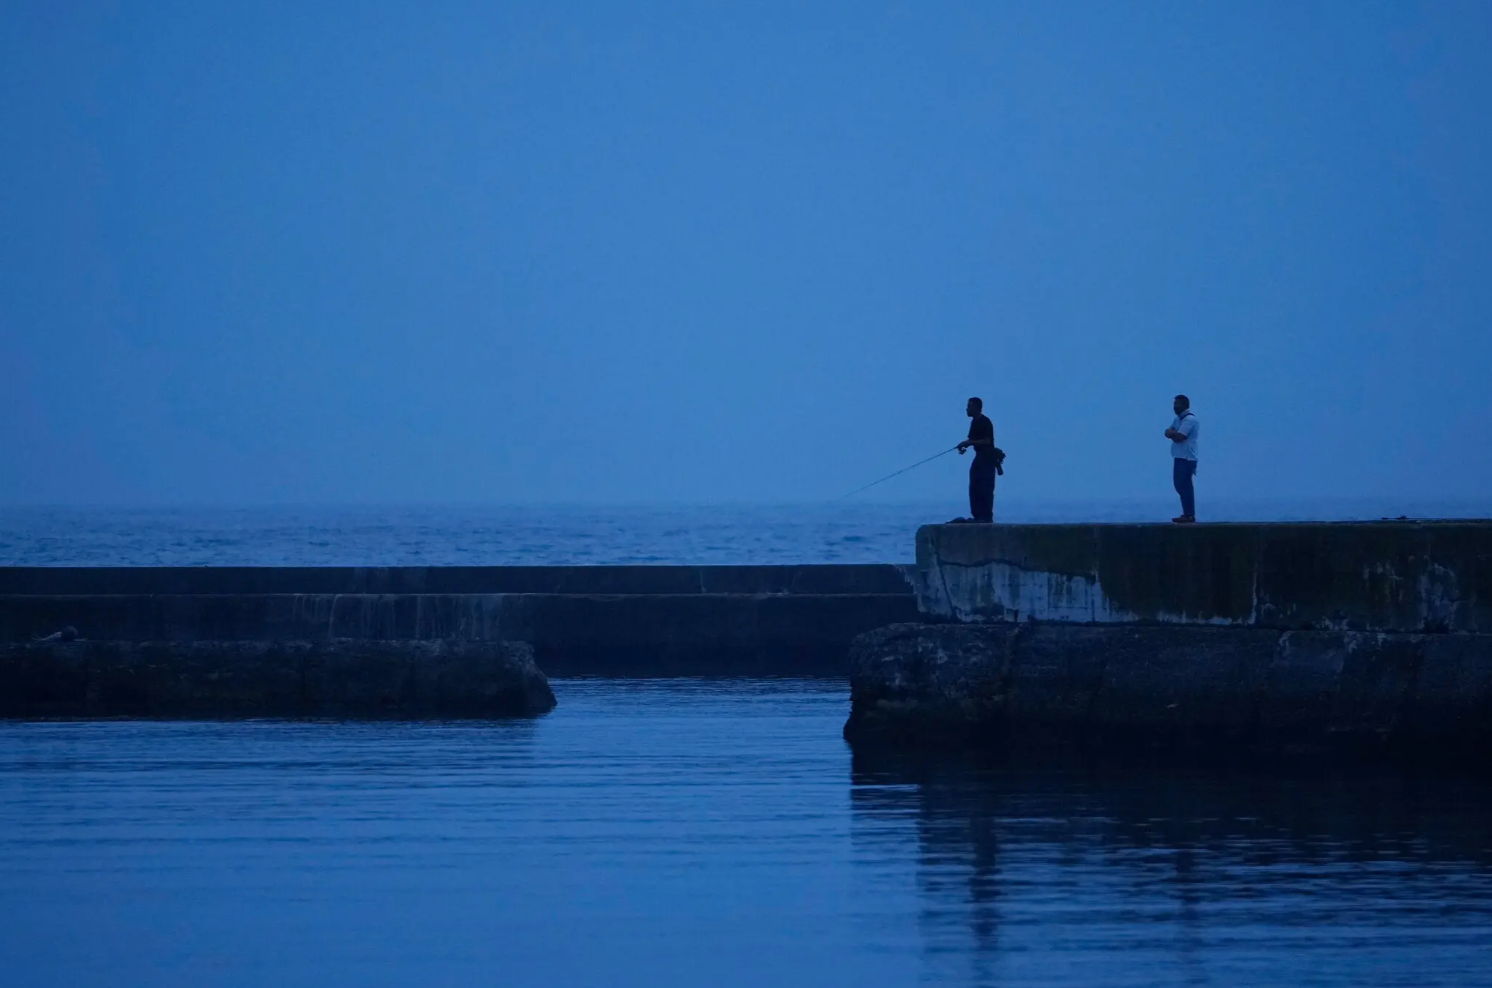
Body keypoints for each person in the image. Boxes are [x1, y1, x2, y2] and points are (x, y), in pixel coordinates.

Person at [958, 397, 997, 523]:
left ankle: (985, 516)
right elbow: (971, 440)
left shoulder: (985, 421)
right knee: (974, 486)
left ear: (976, 408)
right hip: (979, 457)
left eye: (969, 406)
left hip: (986, 458)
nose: (967, 409)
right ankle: (977, 515)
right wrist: (964, 446)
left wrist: (969, 443)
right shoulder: (974, 422)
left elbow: (987, 441)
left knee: (984, 487)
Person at [1165, 394, 1199, 523]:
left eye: (1177, 405)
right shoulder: (1178, 419)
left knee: (1185, 486)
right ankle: (1187, 513)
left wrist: (1172, 434)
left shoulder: (1189, 420)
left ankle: (1189, 514)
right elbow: (1168, 432)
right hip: (1179, 457)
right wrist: (1172, 433)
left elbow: (1180, 437)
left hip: (1187, 458)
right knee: (1179, 485)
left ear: (1184, 405)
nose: (1174, 407)